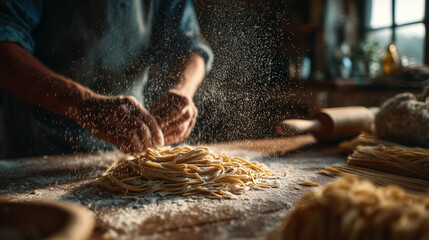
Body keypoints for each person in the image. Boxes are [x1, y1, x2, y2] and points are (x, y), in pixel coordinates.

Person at [0, 0, 213, 158]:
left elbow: (190, 46)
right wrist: (83, 104)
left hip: (130, 148)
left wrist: (182, 91)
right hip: (35, 147)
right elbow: (4, 47)